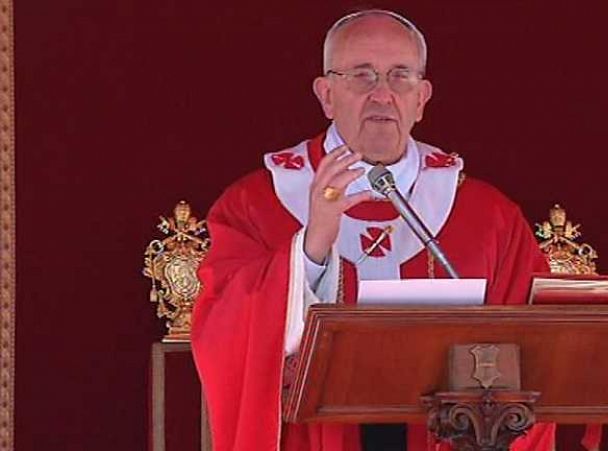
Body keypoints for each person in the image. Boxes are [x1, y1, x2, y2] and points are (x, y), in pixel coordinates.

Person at [191, 9, 555, 451]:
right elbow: (223, 337)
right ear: (326, 94)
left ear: (421, 98)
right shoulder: (256, 204)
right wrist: (310, 249)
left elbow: (535, 353)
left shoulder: (488, 216)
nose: (382, 95)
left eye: (400, 77)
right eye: (361, 76)